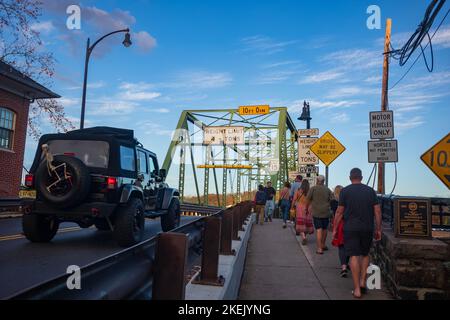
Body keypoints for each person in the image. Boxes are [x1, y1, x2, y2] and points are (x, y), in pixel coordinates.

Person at [333, 168, 382, 299]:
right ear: (361, 177)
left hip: (350, 228)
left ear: (350, 177)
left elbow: (339, 212)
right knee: (365, 254)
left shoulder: (345, 191)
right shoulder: (370, 191)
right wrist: (378, 229)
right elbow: (377, 211)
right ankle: (362, 282)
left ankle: (356, 290)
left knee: (353, 256)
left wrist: (335, 229)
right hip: (367, 228)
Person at [306, 175, 333, 254]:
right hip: (326, 212)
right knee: (325, 229)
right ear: (323, 181)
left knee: (318, 229)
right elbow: (332, 200)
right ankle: (323, 244)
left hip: (316, 212)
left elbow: (308, 199)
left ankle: (319, 248)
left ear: (317, 180)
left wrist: (306, 208)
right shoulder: (328, 190)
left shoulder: (313, 189)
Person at [330, 185, 348, 277]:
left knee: (341, 246)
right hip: (349, 224)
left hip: (339, 224)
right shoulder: (348, 201)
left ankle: (344, 267)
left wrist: (334, 229)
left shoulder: (333, 202)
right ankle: (348, 263)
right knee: (349, 245)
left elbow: (336, 214)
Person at [292, 179, 314, 244]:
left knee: (300, 223)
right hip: (309, 208)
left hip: (300, 207)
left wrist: (292, 207)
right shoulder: (310, 191)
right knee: (306, 223)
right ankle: (304, 235)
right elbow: (312, 200)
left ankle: (303, 237)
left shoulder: (298, 191)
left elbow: (294, 200)